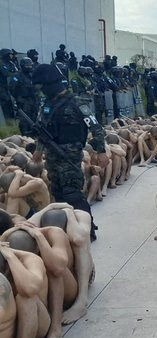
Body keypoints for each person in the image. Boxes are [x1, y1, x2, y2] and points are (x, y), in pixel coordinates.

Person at [31, 64, 106, 241]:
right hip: (52, 156)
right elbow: (43, 130)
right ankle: (65, 228)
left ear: (52, 84)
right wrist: (38, 151)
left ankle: (87, 229)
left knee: (73, 195)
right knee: (58, 194)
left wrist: (101, 151)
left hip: (70, 156)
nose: (42, 92)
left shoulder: (77, 103)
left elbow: (95, 127)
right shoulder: (47, 105)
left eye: (43, 87)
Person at [9, 57, 39, 123]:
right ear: (22, 66)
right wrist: (19, 97)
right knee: (25, 119)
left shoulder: (32, 75)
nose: (29, 67)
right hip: (23, 101)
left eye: (30, 65)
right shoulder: (17, 76)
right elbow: (12, 88)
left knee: (35, 117)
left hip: (34, 100)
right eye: (27, 65)